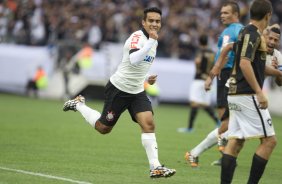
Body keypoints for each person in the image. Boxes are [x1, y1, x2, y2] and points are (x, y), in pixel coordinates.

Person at [62, 7, 176, 178]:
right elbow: (133, 59)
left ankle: (155, 167)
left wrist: (146, 79)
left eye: (157, 21)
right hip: (119, 89)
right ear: (143, 22)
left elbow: (139, 65)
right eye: (151, 20)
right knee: (103, 128)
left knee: (149, 124)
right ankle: (79, 104)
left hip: (137, 91)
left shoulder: (153, 40)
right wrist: (152, 41)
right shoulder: (137, 38)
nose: (154, 24)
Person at [220, 0, 282, 183]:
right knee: (270, 141)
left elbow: (257, 67)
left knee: (236, 142)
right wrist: (259, 91)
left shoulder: (243, 32)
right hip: (247, 94)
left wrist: (278, 72)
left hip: (235, 93)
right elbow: (244, 63)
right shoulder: (253, 34)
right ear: (268, 15)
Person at [184, 0, 243, 167]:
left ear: (236, 14)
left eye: (226, 13)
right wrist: (211, 76)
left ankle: (195, 152)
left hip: (229, 75)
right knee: (227, 121)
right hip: (223, 75)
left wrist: (216, 75)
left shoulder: (237, 31)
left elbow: (230, 57)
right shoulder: (226, 31)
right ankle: (226, 155)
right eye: (221, 12)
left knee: (226, 122)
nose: (222, 15)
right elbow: (219, 55)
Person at [178, 34, 220, 133]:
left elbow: (197, 62)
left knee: (194, 103)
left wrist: (198, 69)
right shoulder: (212, 53)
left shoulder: (200, 52)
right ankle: (218, 121)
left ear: (199, 42)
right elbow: (216, 65)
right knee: (205, 104)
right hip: (208, 80)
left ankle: (189, 128)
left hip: (198, 79)